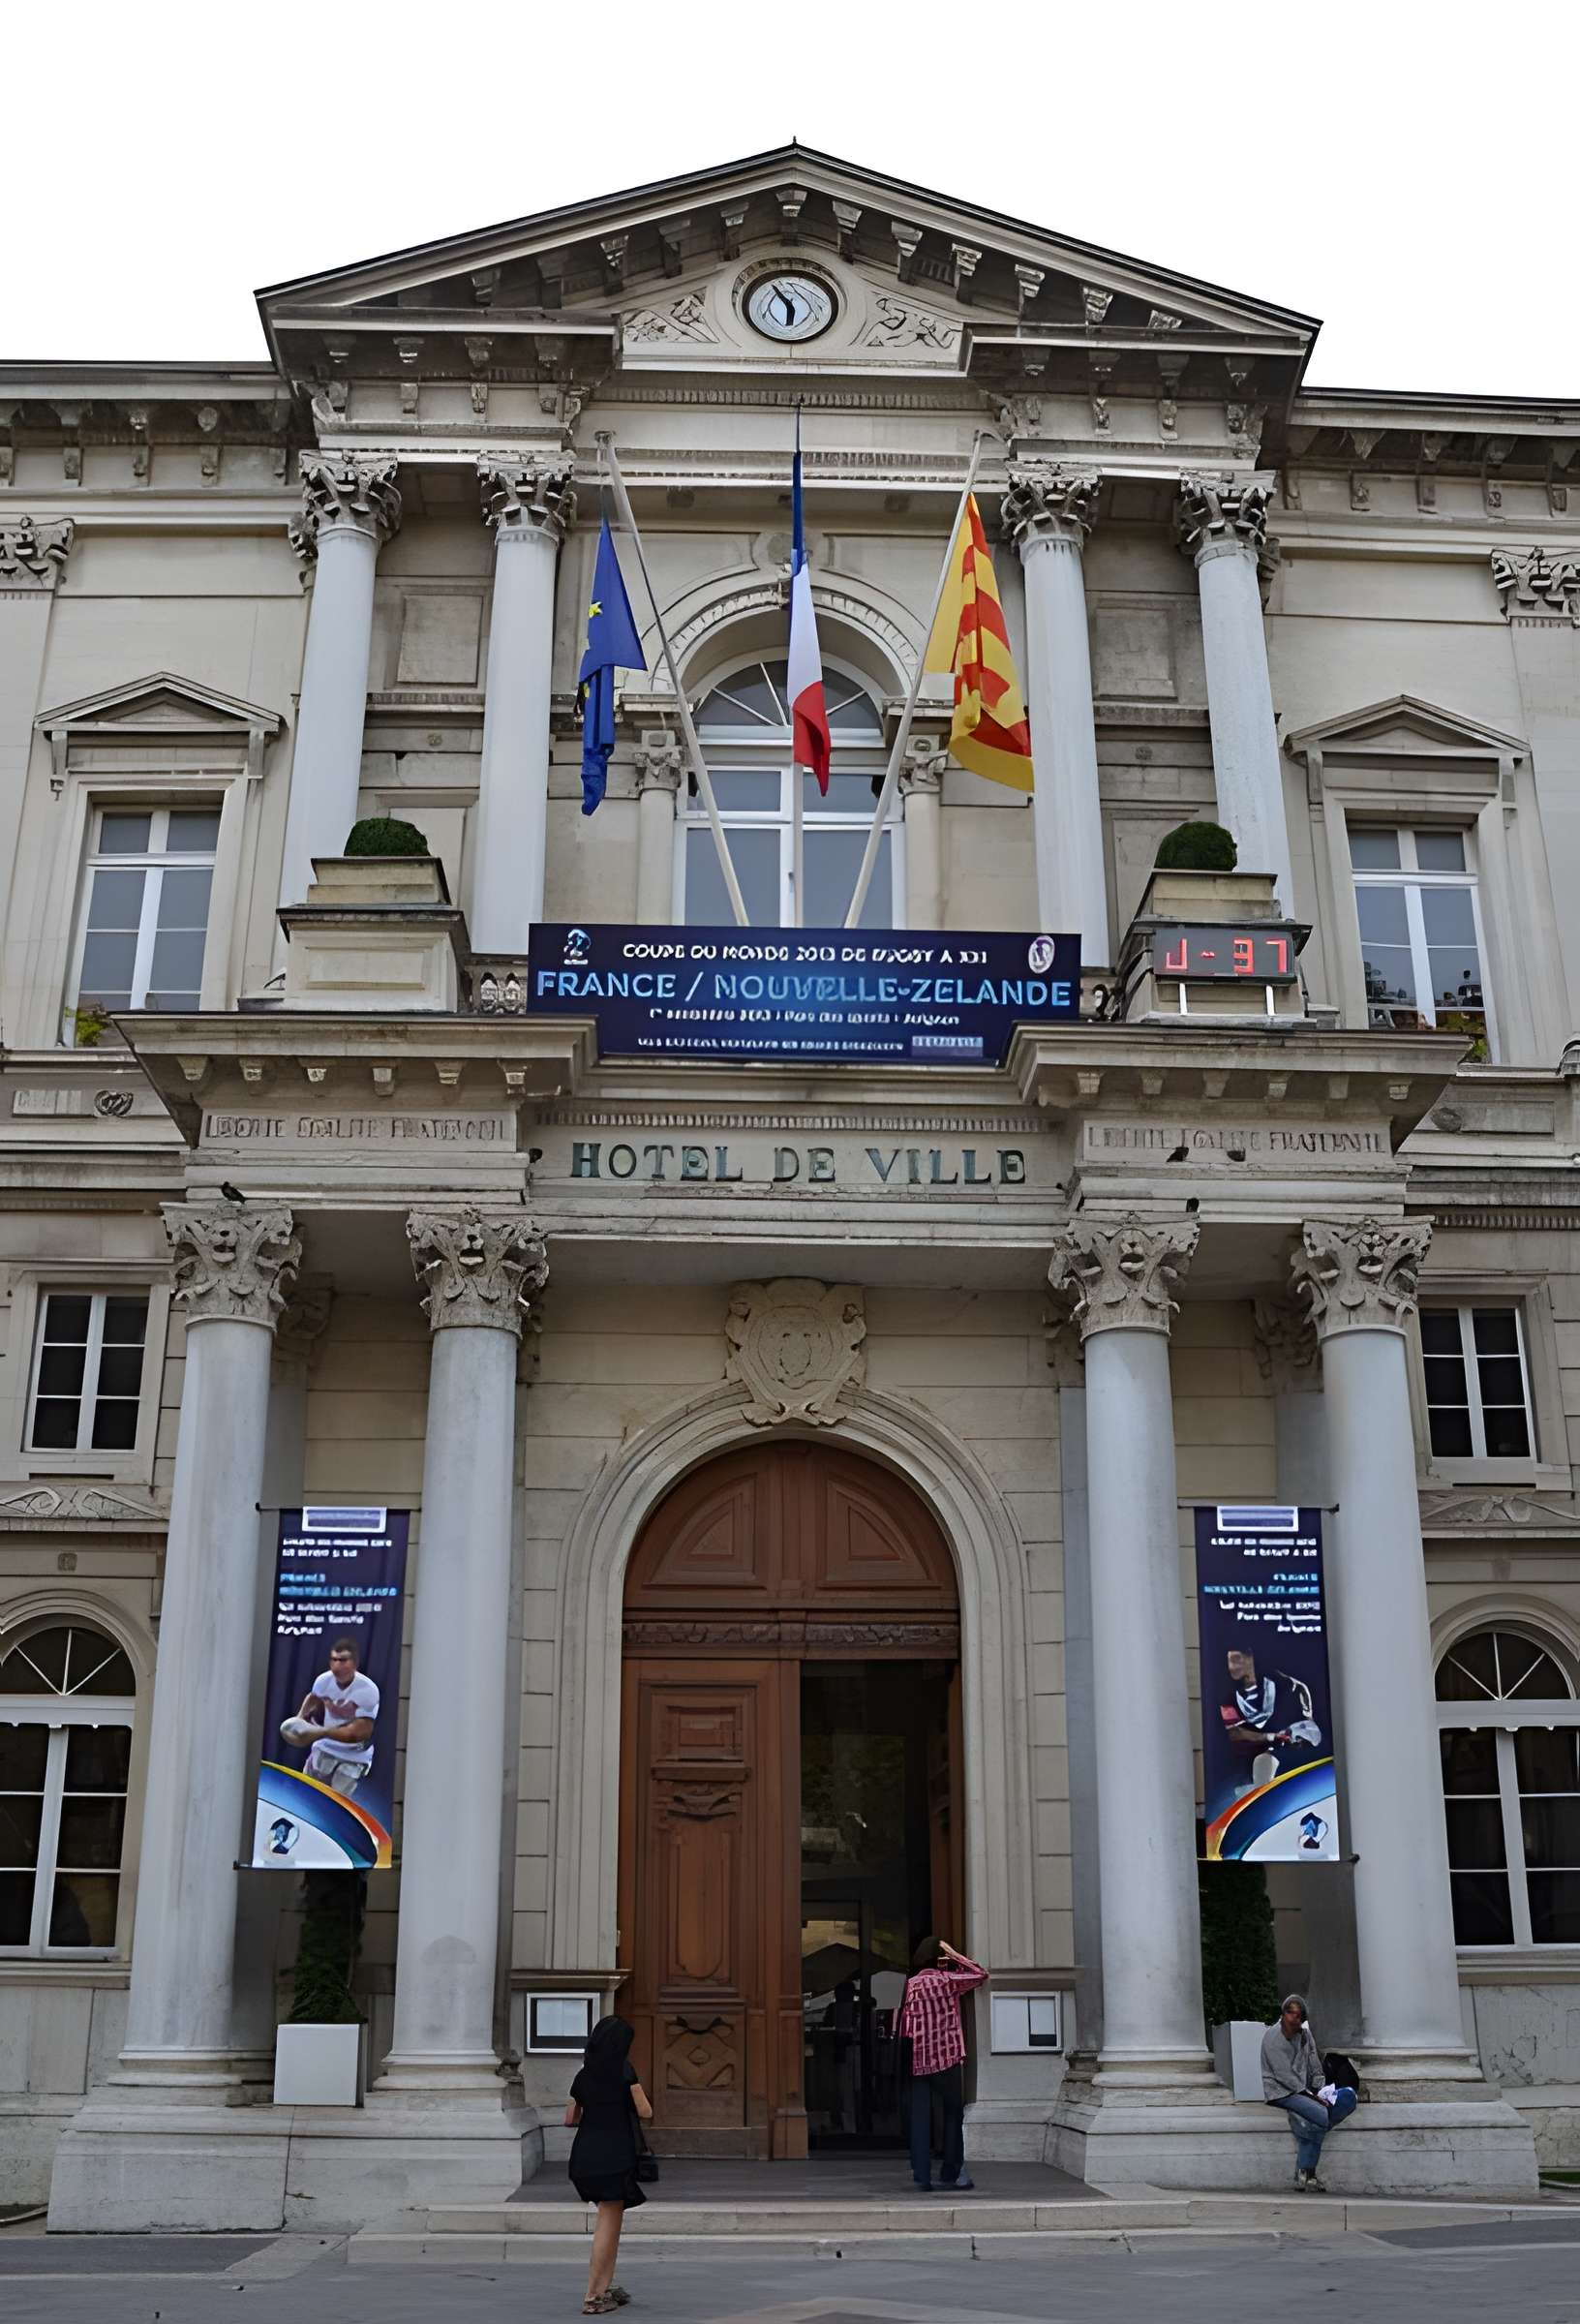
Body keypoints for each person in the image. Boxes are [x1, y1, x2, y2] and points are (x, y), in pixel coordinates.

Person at [565, 2014, 653, 2314]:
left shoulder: (583, 2075)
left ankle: (604, 2286)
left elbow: (570, 2118)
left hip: (584, 2155)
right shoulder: (624, 2071)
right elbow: (645, 2111)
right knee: (609, 2224)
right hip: (615, 2156)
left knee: (606, 2217)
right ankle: (594, 2295)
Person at [896, 1935, 988, 2192]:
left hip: (917, 2059)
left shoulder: (912, 1984)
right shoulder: (948, 1981)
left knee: (920, 2118)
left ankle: (922, 2176)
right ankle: (952, 2171)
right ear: (939, 1958)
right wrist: (953, 1952)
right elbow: (981, 1974)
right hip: (946, 2058)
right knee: (952, 2115)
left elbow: (904, 2021)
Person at [1261, 1993, 1357, 2189]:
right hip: (1281, 2092)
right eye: (1289, 2012)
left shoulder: (1305, 2034)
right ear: (1282, 2015)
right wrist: (1314, 2099)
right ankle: (1307, 2171)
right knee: (1321, 2115)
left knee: (1347, 2098)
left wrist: (1321, 2089)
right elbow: (1285, 2077)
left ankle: (1306, 2173)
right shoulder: (1272, 2038)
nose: (1293, 2018)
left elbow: (1314, 2063)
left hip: (1307, 2090)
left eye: (1298, 2014)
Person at [279, 1635, 380, 1798]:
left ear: (354, 1663)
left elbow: (359, 1732)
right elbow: (314, 1696)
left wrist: (317, 1732)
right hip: (325, 1748)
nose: (337, 1666)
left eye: (343, 1660)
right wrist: (300, 1719)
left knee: (334, 1803)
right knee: (306, 1795)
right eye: (334, 1660)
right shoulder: (324, 1681)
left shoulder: (367, 1690)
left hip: (354, 1756)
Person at [1221, 1645, 1322, 1790]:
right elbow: (1234, 1733)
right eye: (1229, 1661)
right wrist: (1270, 1737)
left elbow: (1309, 1730)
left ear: (1251, 1659)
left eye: (1236, 1659)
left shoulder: (1288, 1686)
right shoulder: (1228, 1697)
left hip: (1286, 1764)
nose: (1232, 1666)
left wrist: (1294, 1737)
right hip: (1246, 1768)